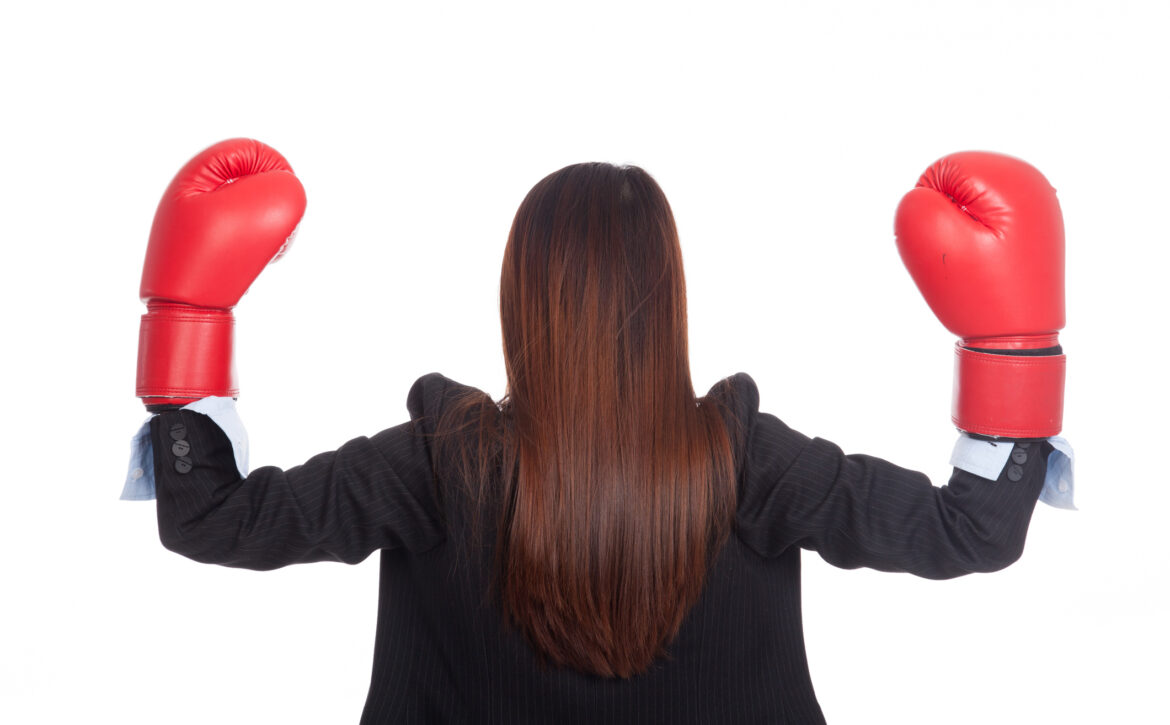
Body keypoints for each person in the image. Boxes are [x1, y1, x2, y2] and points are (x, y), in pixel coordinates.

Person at [124, 140, 1073, 724]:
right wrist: (1013, 351)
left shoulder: (439, 462)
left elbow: (211, 518)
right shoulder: (749, 462)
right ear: (669, 299)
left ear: (520, 298)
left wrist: (188, 322)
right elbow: (973, 531)